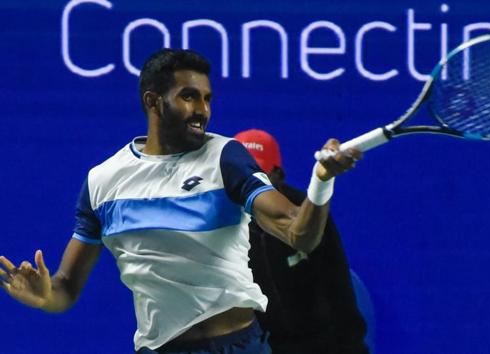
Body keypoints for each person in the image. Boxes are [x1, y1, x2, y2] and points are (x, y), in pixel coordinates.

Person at [0, 48, 360, 354]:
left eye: (207, 98)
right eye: (189, 96)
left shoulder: (225, 157)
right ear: (153, 102)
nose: (202, 109)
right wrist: (44, 297)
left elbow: (300, 234)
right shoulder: (102, 181)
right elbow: (65, 287)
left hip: (238, 345)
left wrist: (321, 182)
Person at [235, 129, 369, 354]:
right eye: (243, 176)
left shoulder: (308, 214)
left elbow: (339, 289)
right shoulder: (222, 220)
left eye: (259, 176)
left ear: (277, 174)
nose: (251, 187)